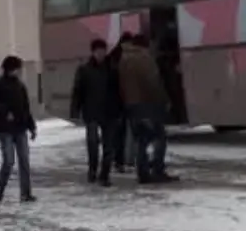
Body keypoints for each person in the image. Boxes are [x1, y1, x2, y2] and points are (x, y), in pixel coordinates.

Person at [117, 34, 177, 184]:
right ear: (145, 45)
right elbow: (153, 83)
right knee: (160, 137)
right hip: (148, 105)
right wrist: (165, 100)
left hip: (131, 106)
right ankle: (157, 170)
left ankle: (142, 173)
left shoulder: (123, 59)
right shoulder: (145, 59)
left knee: (141, 140)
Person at [69, 38, 120, 186]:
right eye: (98, 51)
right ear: (93, 52)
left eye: (103, 51)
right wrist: (75, 110)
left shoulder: (111, 69)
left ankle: (104, 174)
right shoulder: (84, 70)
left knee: (109, 146)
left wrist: (119, 109)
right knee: (92, 143)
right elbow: (77, 91)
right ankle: (92, 170)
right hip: (91, 112)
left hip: (109, 112)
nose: (101, 54)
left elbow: (118, 91)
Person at [0, 55, 37, 203]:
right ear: (11, 69)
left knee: (24, 161)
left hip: (20, 128)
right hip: (6, 129)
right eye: (18, 68)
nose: (19, 71)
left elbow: (26, 107)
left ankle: (26, 193)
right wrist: (5, 112)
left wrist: (31, 126)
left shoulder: (20, 86)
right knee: (9, 161)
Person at [107, 33, 134, 174]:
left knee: (119, 134)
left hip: (120, 101)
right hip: (118, 103)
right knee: (119, 134)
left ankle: (120, 160)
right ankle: (118, 161)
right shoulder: (118, 58)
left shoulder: (116, 57)